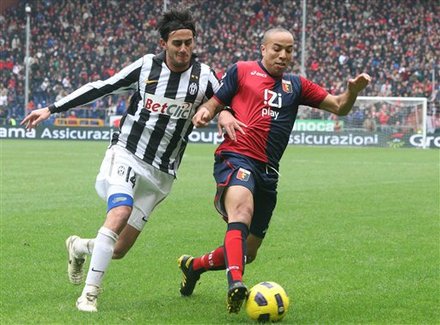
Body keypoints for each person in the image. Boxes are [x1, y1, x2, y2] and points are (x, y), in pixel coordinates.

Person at [21, 9, 222, 312]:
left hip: (162, 173)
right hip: (127, 153)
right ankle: (89, 294)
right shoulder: (145, 68)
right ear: (163, 43)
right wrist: (52, 108)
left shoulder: (204, 76)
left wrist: (221, 113)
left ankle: (79, 246)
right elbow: (103, 86)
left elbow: (226, 99)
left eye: (189, 43)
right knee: (119, 211)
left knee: (118, 249)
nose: (183, 49)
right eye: (177, 43)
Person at [177, 27, 371, 314]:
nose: (283, 55)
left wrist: (352, 92)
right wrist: (208, 112)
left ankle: (194, 266)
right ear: (263, 49)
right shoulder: (242, 71)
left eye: (289, 50)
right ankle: (235, 284)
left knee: (248, 253)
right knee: (240, 211)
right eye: (277, 48)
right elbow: (214, 103)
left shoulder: (298, 85)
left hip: (268, 172)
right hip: (236, 156)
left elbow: (340, 107)